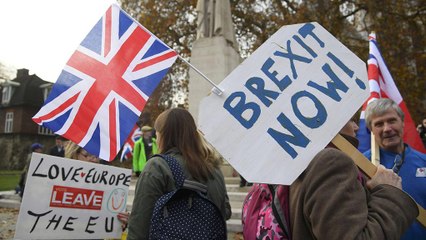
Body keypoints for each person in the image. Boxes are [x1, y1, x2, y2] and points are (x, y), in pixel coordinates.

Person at [288, 118, 418, 239]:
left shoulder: (289, 168)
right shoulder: (331, 161)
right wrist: (390, 193)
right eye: (349, 119)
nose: (356, 127)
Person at [127, 108, 231, 239]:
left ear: (163, 135)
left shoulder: (158, 167)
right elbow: (225, 212)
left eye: (157, 134)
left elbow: (140, 225)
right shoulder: (214, 168)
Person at [363, 98, 426, 239]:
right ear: (371, 130)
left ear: (402, 123)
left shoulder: (424, 161)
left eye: (391, 121)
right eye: (379, 124)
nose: (387, 129)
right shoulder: (361, 165)